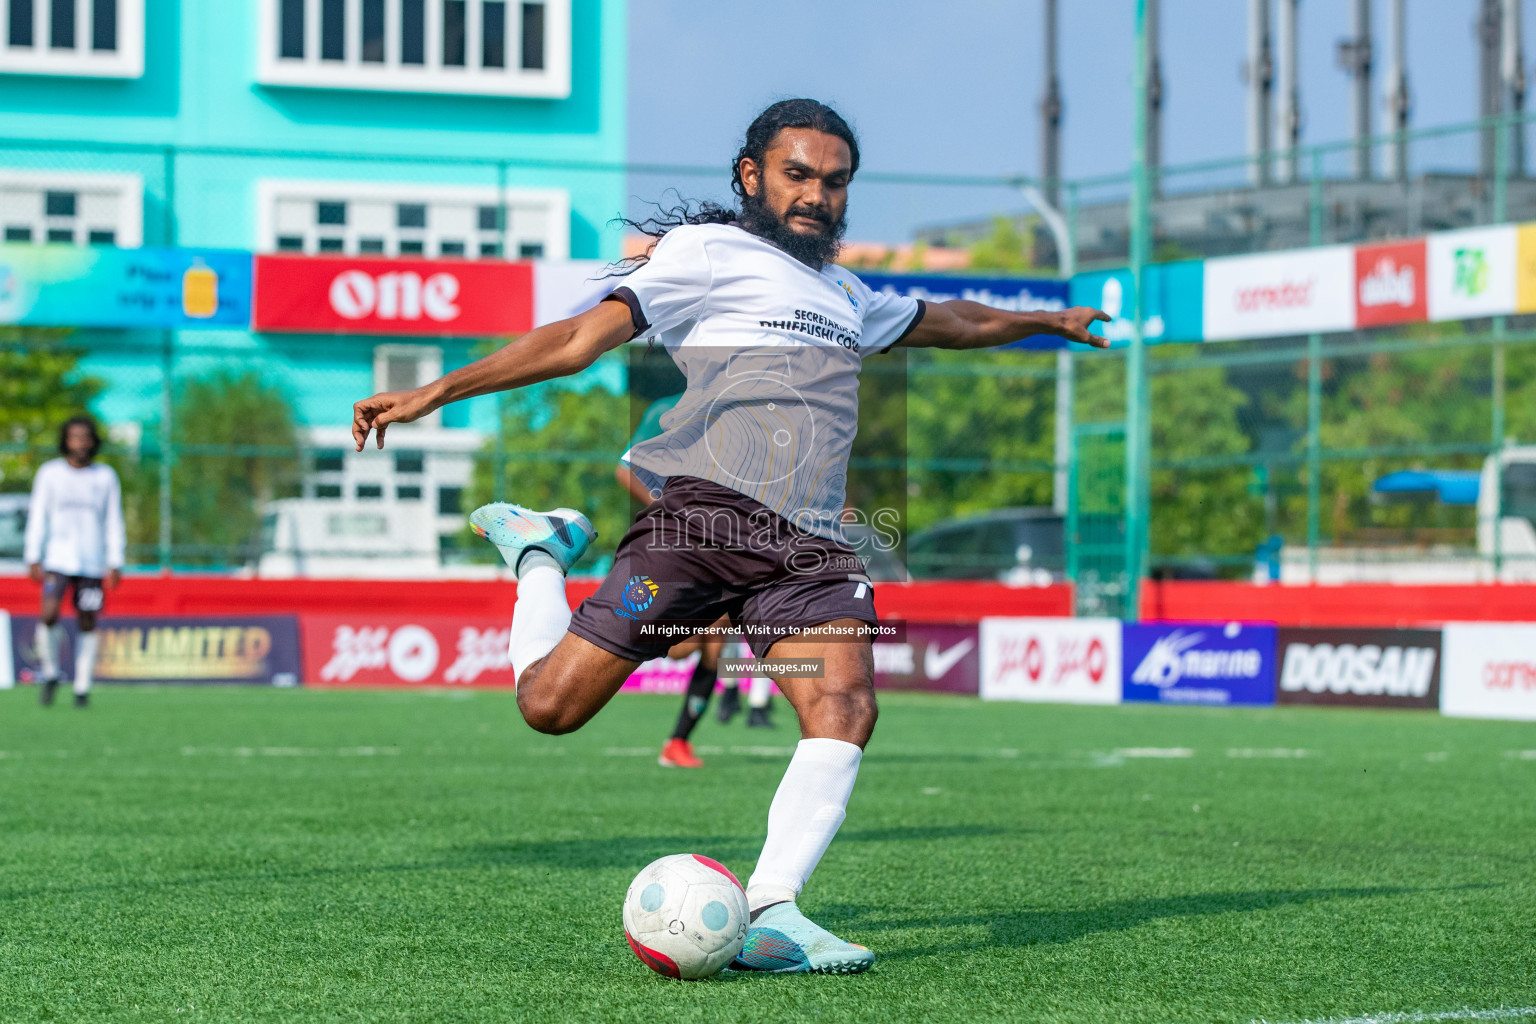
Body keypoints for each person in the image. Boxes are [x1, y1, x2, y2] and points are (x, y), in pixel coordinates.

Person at [352, 98, 1109, 974]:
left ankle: (774, 910)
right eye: (797, 175)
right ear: (751, 177)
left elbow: (955, 322)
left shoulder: (846, 292)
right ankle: (537, 554)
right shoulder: (706, 255)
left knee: (845, 707)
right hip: (701, 525)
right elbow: (574, 339)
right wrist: (433, 393)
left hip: (811, 546)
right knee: (549, 708)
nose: (816, 196)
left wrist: (1049, 322)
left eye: (834, 182)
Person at [616, 393, 769, 768]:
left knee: (715, 644)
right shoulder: (667, 408)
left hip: (726, 544)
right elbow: (626, 470)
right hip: (673, 543)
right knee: (678, 646)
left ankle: (678, 742)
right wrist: (668, 508)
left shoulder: (750, 413)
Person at [24, 416, 125, 708]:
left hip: (92, 562)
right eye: (74, 437)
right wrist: (33, 555)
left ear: (93, 441)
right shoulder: (50, 473)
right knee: (49, 613)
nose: (80, 443)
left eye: (85, 437)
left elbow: (114, 521)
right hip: (57, 559)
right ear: (65, 441)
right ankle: (52, 672)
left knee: (87, 621)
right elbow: (38, 515)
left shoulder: (105, 476)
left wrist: (115, 560)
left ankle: (82, 687)